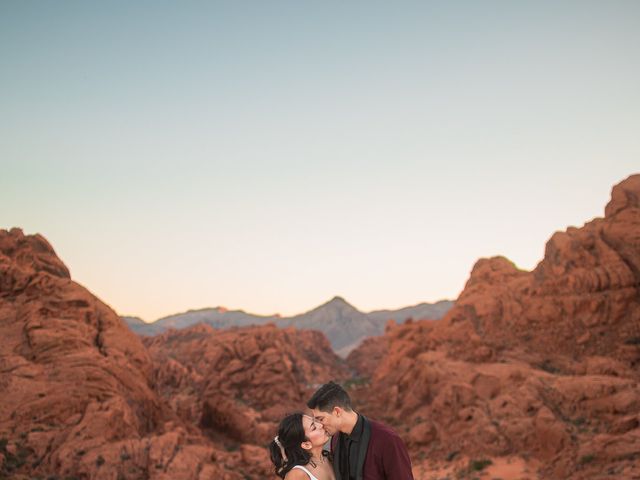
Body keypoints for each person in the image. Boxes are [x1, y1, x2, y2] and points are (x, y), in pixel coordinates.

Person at [307, 381, 414, 480]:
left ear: (337, 412)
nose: (319, 425)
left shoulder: (387, 440)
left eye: (321, 419)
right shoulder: (335, 439)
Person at [269, 412, 337, 480]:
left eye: (316, 421)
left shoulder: (331, 458)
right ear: (306, 445)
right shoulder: (297, 474)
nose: (320, 425)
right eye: (314, 428)